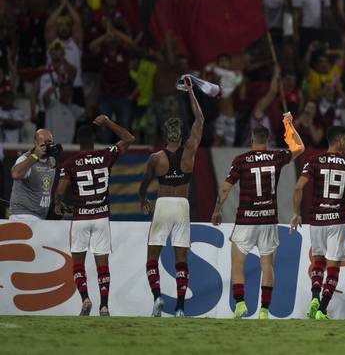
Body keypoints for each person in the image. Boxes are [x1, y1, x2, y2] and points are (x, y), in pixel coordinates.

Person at [211, 115, 305, 319]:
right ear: (268, 140)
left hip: (246, 219)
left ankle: (241, 304)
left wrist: (217, 210)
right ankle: (264, 310)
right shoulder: (276, 157)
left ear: (251, 141)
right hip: (269, 219)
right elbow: (300, 147)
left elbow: (225, 189)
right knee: (267, 265)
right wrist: (289, 124)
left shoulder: (241, 160)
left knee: (237, 264)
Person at [54, 116, 136, 316]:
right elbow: (129, 138)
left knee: (78, 264)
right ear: (94, 138)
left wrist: (59, 204)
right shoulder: (105, 155)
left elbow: (60, 191)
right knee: (103, 265)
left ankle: (85, 300)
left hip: (80, 218)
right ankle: (104, 306)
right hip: (101, 218)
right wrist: (108, 122)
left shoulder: (69, 163)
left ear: (78, 140)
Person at [138, 80, 204, 317]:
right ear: (181, 134)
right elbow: (200, 120)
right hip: (182, 206)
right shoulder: (190, 151)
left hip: (163, 205)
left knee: (151, 258)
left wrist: (143, 199)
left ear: (165, 135)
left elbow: (144, 185)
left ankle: (157, 298)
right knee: (181, 260)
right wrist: (190, 93)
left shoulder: (156, 158)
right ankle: (180, 308)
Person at [290, 125, 345, 320]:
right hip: (337, 219)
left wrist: (296, 213)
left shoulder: (313, 161)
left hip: (316, 219)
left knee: (318, 262)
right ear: (340, 141)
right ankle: (322, 308)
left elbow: (298, 188)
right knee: (333, 267)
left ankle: (314, 296)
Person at [9, 129, 60, 221]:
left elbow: (45, 188)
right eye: (44, 143)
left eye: (50, 142)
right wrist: (35, 156)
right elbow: (15, 174)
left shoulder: (52, 161)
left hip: (40, 216)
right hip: (23, 215)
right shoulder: (25, 158)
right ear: (35, 143)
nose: (48, 146)